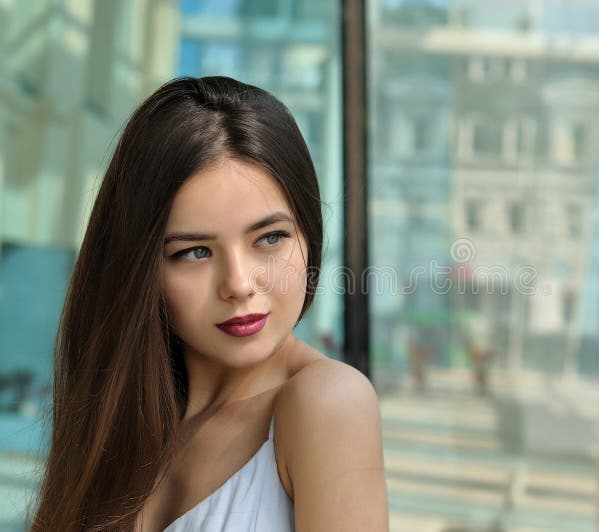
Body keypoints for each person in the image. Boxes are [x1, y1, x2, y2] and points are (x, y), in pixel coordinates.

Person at [28, 76, 388, 531]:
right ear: (141, 270)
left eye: (270, 238)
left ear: (309, 236)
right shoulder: (120, 420)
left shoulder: (328, 401)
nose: (238, 284)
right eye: (194, 251)